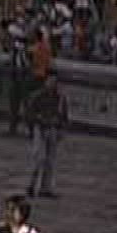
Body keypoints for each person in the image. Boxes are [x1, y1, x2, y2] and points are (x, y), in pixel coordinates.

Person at [24, 71, 69, 199]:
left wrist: (61, 129)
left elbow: (64, 116)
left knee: (50, 161)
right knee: (39, 158)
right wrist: (36, 123)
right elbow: (30, 114)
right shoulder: (37, 96)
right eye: (50, 81)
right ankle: (32, 184)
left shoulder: (60, 98)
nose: (52, 84)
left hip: (53, 129)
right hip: (41, 128)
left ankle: (45, 187)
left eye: (54, 82)